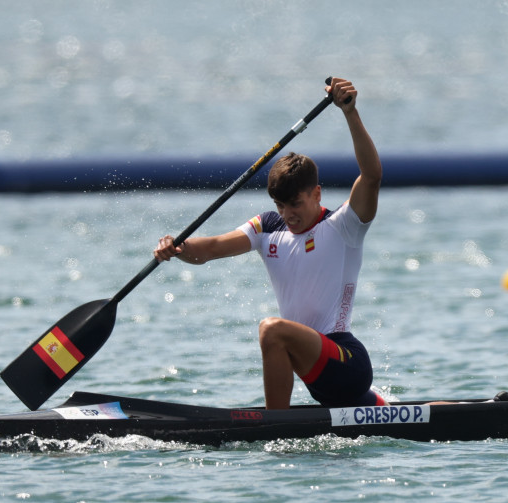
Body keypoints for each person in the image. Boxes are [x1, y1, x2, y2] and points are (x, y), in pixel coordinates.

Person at [153, 77, 386, 410]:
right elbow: (212, 248)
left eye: (295, 204)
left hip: (346, 361)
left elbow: (372, 176)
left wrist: (350, 113)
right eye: (280, 205)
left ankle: (274, 425)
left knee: (271, 330)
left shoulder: (344, 226)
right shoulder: (267, 227)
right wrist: (177, 248)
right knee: (394, 412)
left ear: (316, 194)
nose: (287, 214)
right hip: (318, 379)